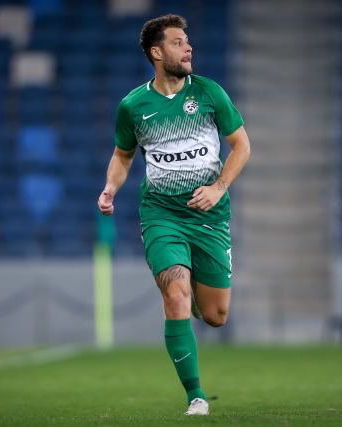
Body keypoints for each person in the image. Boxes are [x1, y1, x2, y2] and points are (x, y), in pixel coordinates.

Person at [97, 14, 251, 416]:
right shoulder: (133, 106)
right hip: (161, 214)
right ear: (156, 52)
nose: (188, 47)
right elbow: (123, 155)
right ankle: (196, 396)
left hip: (209, 216)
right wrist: (111, 187)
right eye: (178, 42)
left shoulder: (209, 93)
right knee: (175, 294)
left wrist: (218, 188)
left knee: (216, 316)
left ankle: (199, 296)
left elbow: (242, 146)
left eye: (188, 41)